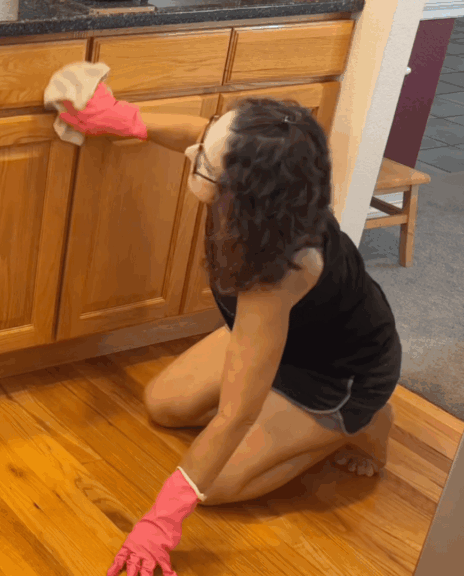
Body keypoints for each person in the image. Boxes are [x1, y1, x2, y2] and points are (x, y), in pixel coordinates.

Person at [57, 84, 402, 576]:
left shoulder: (280, 271)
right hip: (278, 338)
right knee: (164, 404)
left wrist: (161, 521)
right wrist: (117, 116)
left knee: (217, 486)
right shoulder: (271, 178)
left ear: (244, 196)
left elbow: (235, 415)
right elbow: (197, 136)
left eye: (206, 164)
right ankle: (284, 399)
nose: (196, 156)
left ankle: (363, 422)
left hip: (336, 374)